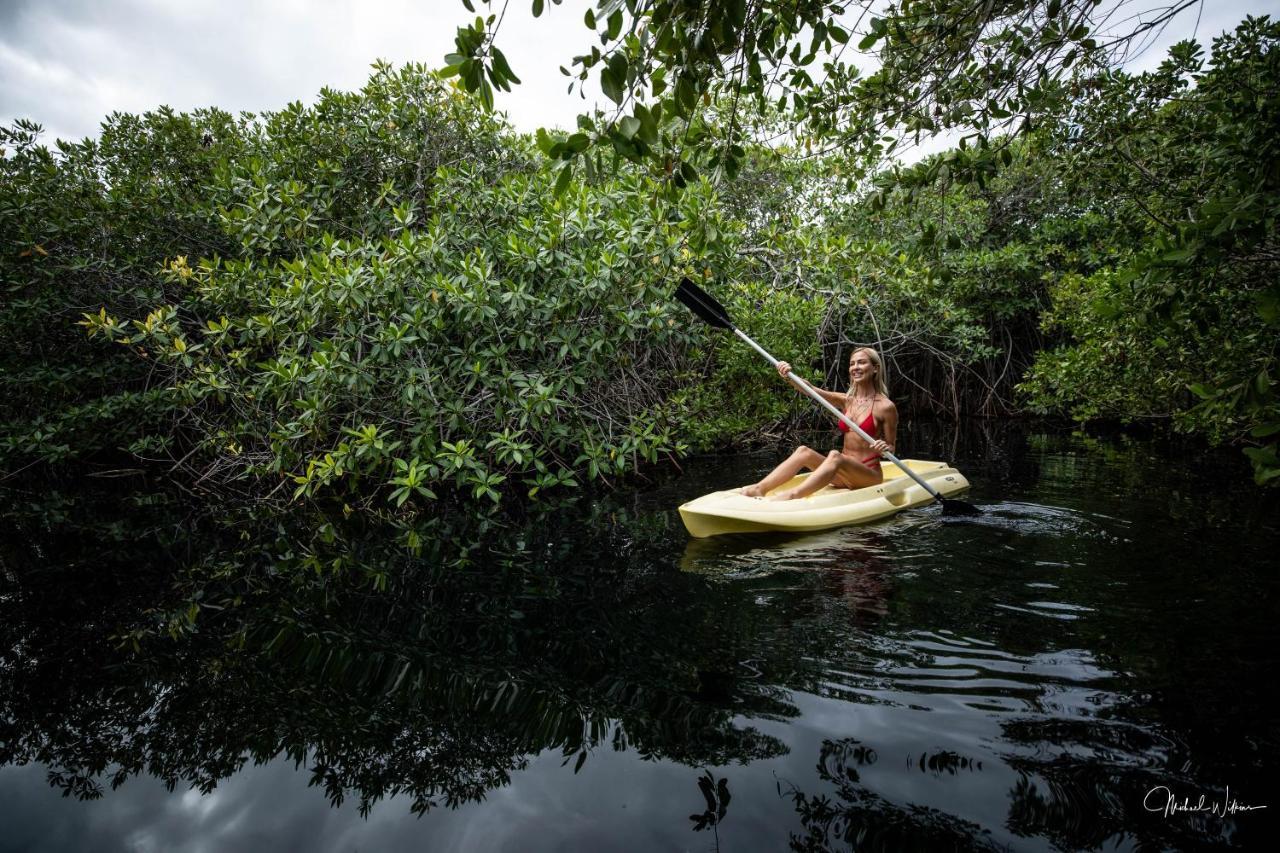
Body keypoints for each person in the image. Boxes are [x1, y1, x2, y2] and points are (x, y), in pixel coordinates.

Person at [740, 347, 897, 501]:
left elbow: (891, 448)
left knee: (835, 455)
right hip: (842, 474)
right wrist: (788, 376)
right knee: (803, 452)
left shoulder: (885, 406)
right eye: (852, 364)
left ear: (875, 368)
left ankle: (792, 496)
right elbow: (810, 390)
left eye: (861, 363)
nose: (855, 367)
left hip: (867, 475)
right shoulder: (847, 401)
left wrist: (884, 447)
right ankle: (758, 489)